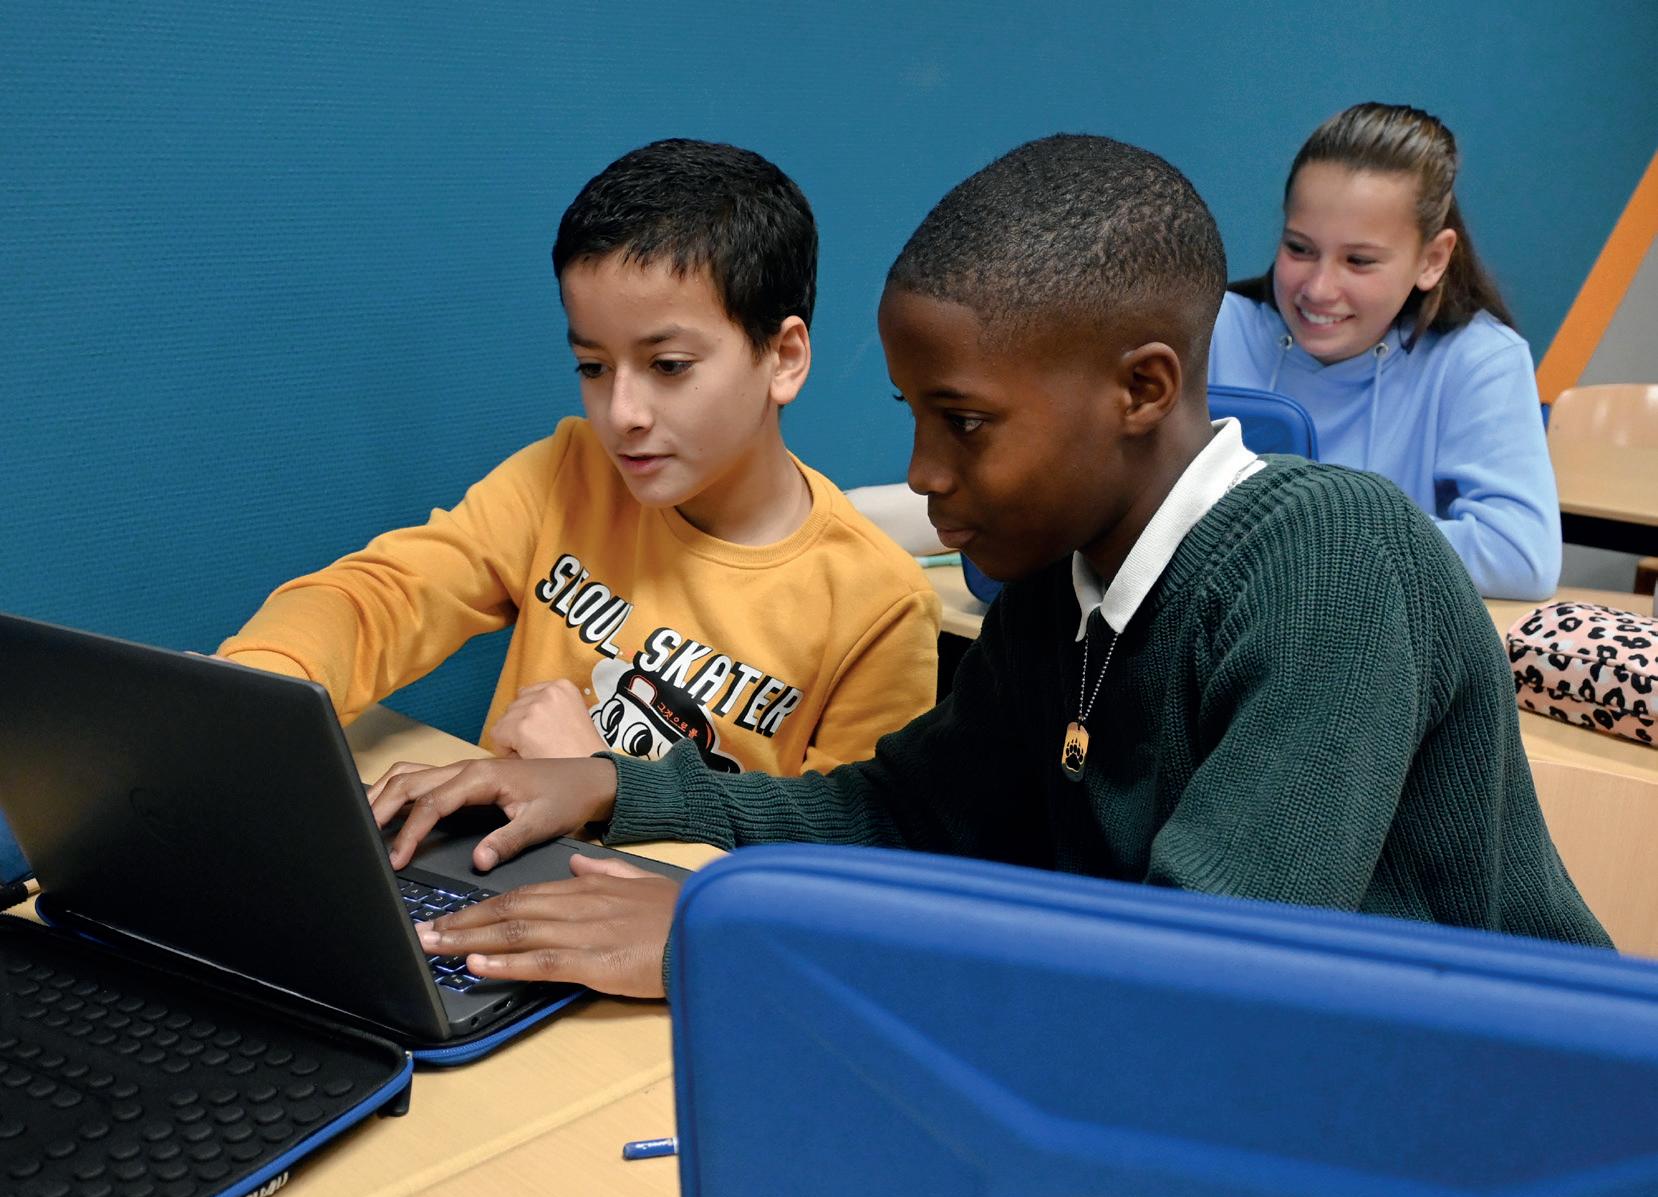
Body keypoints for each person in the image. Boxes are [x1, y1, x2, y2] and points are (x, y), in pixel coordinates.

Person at [367, 133, 1610, 999]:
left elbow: (1203, 979)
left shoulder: (1329, 556)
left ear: (1141, 389)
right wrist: (611, 788)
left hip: (1505, 1139)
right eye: (914, 416)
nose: (922, 472)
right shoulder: (1055, 596)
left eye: (961, 422)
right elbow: (899, 811)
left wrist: (727, 931)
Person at [217, 139, 940, 776]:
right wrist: (256, 688)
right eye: (593, 367)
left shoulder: (877, 605)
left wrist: (596, 776)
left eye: (669, 366)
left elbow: (840, 853)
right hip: (495, 864)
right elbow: (387, 595)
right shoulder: (570, 471)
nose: (622, 414)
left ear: (782, 358)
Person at [1208, 102, 1561, 601]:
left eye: (1359, 260)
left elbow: (1522, 558)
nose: (1319, 288)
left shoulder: (1479, 360)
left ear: (1432, 260)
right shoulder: (1211, 327)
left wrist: (1309, 529)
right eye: (1299, 248)